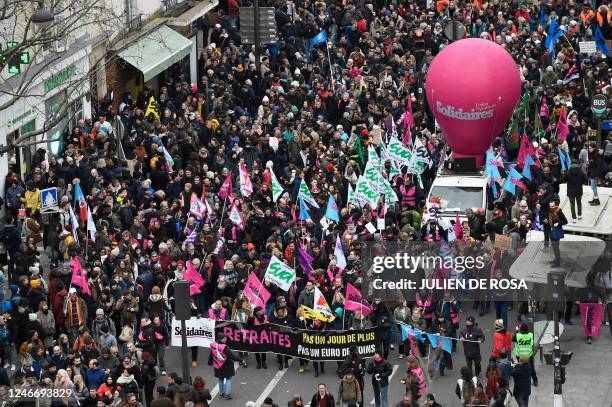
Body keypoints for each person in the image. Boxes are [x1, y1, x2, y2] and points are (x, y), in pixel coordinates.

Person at [207, 333, 242, 400]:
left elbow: (211, 354)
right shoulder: (224, 347)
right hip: (227, 365)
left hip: (218, 365)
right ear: (222, 339)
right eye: (225, 338)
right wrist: (241, 360)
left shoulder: (214, 345)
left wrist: (209, 362)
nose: (226, 339)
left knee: (220, 379)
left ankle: (221, 393)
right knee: (228, 379)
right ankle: (228, 394)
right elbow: (232, 356)